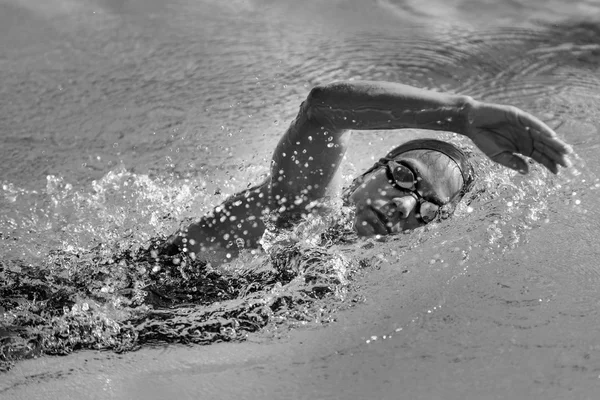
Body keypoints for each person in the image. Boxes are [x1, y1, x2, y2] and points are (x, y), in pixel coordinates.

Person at [160, 80, 572, 263]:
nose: (405, 205)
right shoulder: (305, 206)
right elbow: (321, 109)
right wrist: (460, 116)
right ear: (365, 175)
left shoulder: (346, 265)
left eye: (429, 207)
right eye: (405, 177)